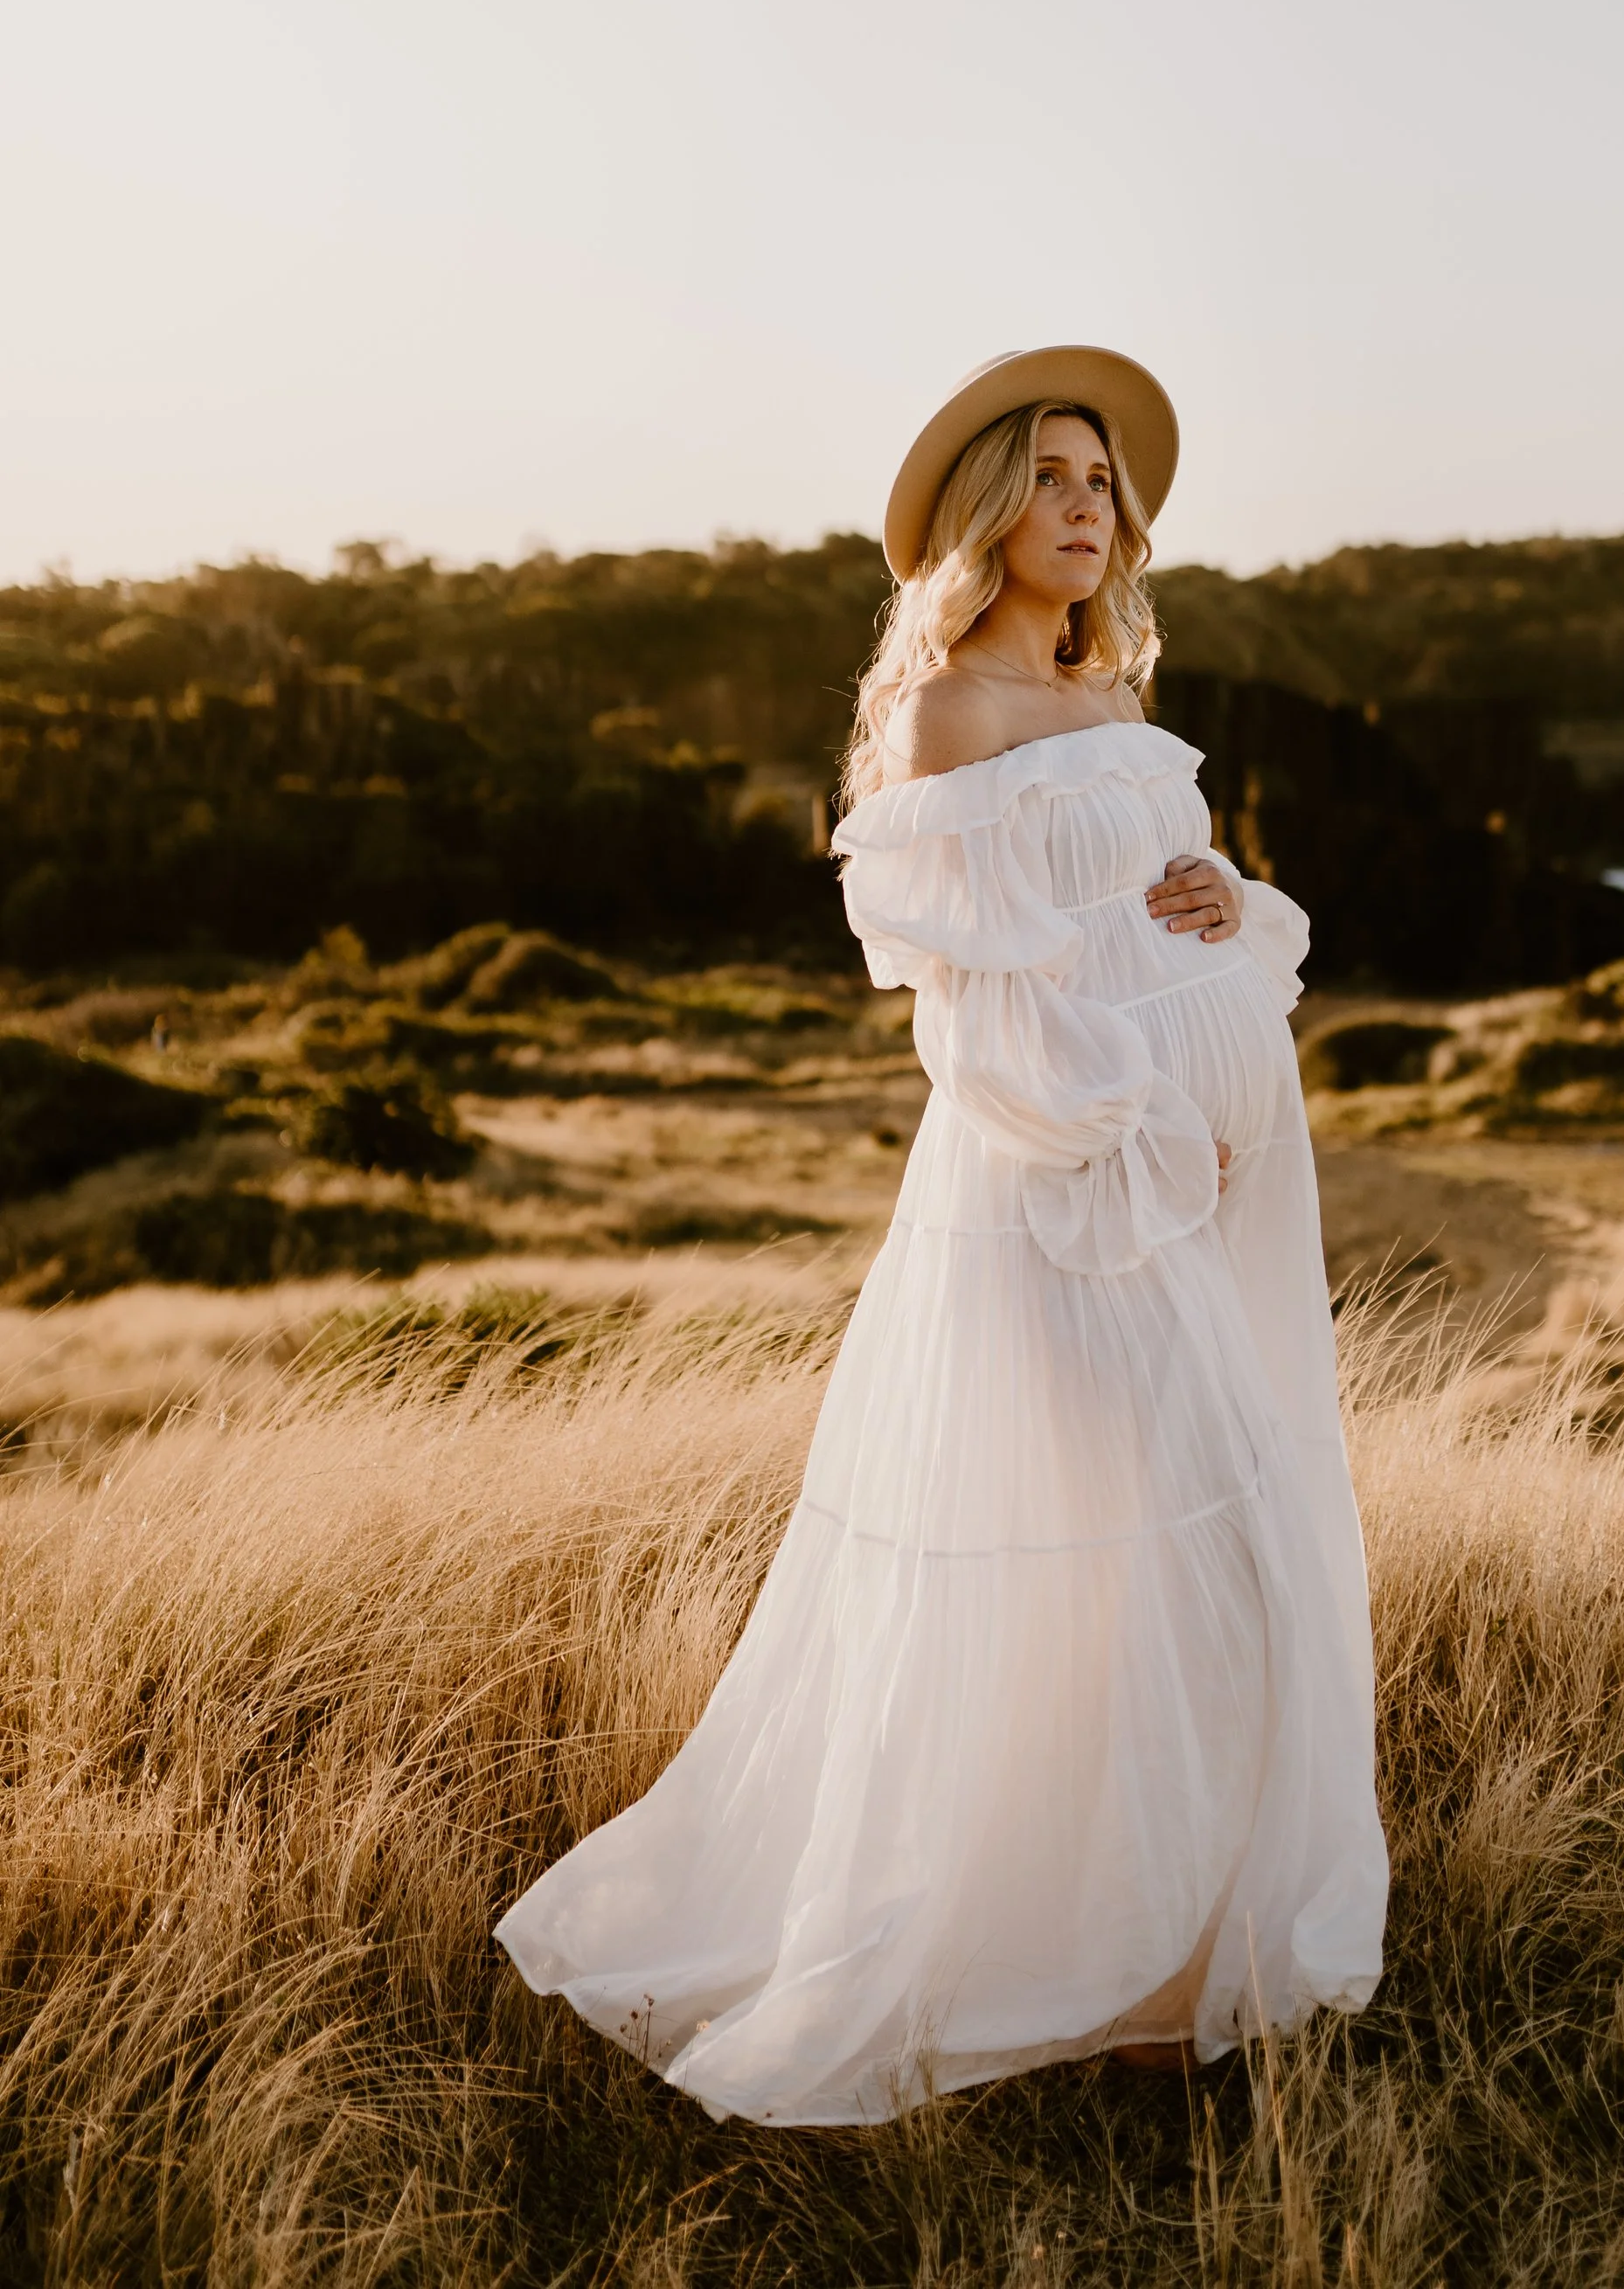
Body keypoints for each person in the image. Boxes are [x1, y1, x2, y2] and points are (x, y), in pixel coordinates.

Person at [495, 345, 1388, 2123]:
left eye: (1103, 480)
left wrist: (1238, 900)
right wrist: (1135, 1140)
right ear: (989, 512)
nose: (1090, 507)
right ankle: (1115, 2009)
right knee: (1168, 1584)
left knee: (1204, 1576)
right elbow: (977, 1015)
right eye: (1054, 477)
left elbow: (1171, 926)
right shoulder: (945, 723)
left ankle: (1164, 2000)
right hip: (1063, 1208)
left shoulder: (1123, 698)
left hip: (1193, 1196)